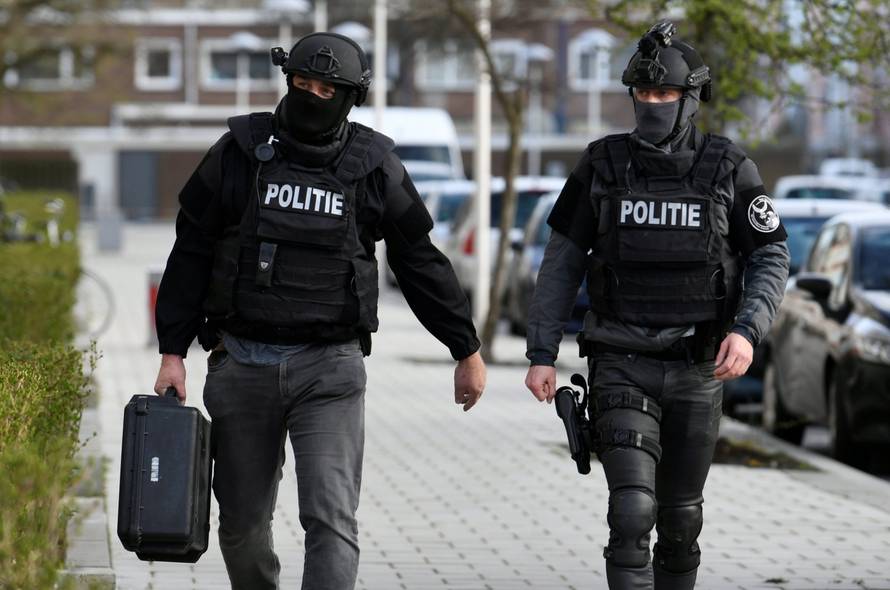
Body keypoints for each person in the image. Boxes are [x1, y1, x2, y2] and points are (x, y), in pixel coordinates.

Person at [152, 32, 486, 590]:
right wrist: (171, 351)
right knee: (241, 525)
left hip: (329, 369)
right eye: (302, 83)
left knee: (331, 519)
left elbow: (421, 261)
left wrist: (466, 348)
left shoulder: (374, 165)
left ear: (349, 96)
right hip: (241, 363)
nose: (312, 95)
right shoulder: (237, 151)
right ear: (287, 82)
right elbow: (190, 252)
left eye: (327, 88)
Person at [524, 22, 789, 590]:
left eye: (665, 95)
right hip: (620, 359)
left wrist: (747, 330)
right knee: (631, 513)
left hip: (698, 366)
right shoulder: (600, 165)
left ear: (690, 99)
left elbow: (771, 255)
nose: (652, 104)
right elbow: (561, 262)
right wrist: (541, 352)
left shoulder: (729, 168)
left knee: (679, 520)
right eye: (643, 95)